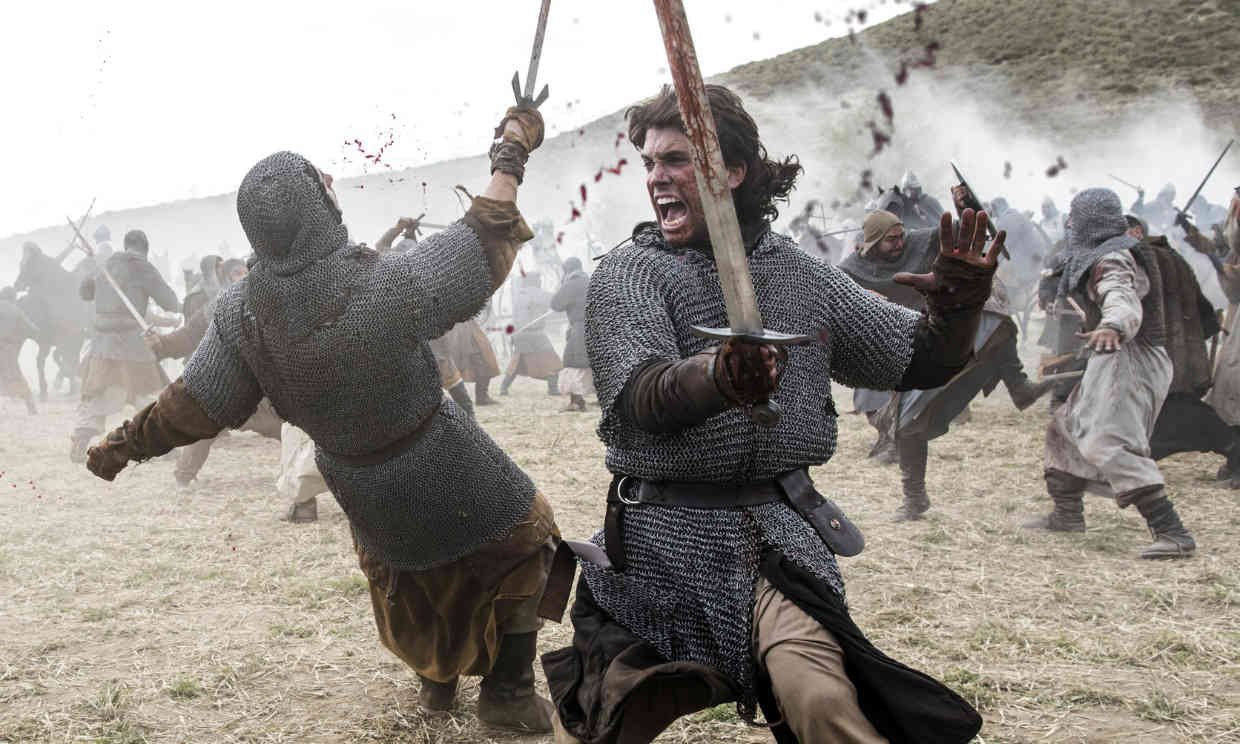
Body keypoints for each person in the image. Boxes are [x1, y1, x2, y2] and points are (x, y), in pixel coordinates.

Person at [84, 105, 567, 733]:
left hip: (357, 480)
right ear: (314, 207)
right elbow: (483, 238)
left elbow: (190, 406)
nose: (334, 185)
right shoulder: (378, 285)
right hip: (437, 451)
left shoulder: (242, 313)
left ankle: (437, 683)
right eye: (324, 182)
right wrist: (511, 151)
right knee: (527, 538)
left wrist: (122, 444)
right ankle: (508, 695)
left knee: (413, 574)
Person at [543, 84, 984, 744]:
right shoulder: (630, 274)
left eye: (676, 160)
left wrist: (958, 305)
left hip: (773, 539)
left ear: (733, 172)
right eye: (650, 163)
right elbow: (640, 400)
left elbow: (914, 359)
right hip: (654, 545)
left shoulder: (799, 274)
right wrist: (717, 377)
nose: (657, 177)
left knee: (822, 702)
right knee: (597, 728)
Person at [841, 206, 1051, 520]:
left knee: (991, 317)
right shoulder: (852, 268)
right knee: (905, 423)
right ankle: (915, 498)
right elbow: (833, 293)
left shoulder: (923, 241)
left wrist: (965, 204)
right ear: (872, 243)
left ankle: (1018, 383)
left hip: (958, 324)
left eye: (901, 236)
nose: (900, 243)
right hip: (920, 340)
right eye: (891, 240)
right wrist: (860, 299)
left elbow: (965, 230)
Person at [1024, 188, 1195, 559]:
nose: (1070, 224)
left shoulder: (1113, 257)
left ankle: (1173, 532)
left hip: (1130, 356)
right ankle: (1067, 514)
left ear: (1090, 221)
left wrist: (1113, 325)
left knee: (1109, 440)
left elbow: (1120, 295)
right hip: (1112, 353)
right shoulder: (1104, 252)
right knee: (1065, 429)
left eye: (1075, 218)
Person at [145, 257, 282, 490]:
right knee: (203, 429)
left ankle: (300, 476)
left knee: (287, 428)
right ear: (225, 278)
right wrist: (161, 344)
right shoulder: (215, 307)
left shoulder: (268, 305)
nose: (242, 277)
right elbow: (188, 335)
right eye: (236, 273)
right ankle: (183, 476)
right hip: (224, 387)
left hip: (258, 389)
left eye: (245, 273)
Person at [70, 229, 180, 462]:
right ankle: (165, 446)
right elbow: (170, 302)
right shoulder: (143, 266)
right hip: (133, 344)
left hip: (103, 345)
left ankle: (80, 438)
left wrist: (94, 271)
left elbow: (84, 293)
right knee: (146, 395)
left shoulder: (107, 264)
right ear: (144, 248)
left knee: (99, 396)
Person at [499, 271, 562, 396]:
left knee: (516, 363)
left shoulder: (519, 295)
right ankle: (553, 388)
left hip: (520, 334)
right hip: (535, 334)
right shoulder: (540, 294)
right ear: (535, 281)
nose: (540, 282)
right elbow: (557, 302)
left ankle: (503, 387)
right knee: (551, 361)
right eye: (539, 279)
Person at [550, 256, 592, 412]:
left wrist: (562, 284)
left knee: (573, 361)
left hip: (580, 328)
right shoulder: (590, 281)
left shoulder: (572, 283)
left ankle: (576, 402)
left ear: (567, 270)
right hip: (596, 328)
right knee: (594, 363)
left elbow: (556, 304)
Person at [0, 286, 39, 414]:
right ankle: (30, 403)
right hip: (9, 348)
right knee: (15, 375)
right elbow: (33, 329)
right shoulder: (16, 310)